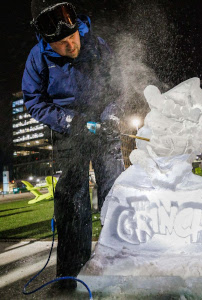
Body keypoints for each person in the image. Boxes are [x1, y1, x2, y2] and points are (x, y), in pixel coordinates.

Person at [22, 0, 124, 289]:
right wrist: (69, 121)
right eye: (62, 44)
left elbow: (118, 87)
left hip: (104, 128)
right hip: (68, 132)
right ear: (46, 40)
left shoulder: (97, 44)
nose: (71, 47)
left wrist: (112, 116)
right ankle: (71, 276)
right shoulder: (37, 58)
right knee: (72, 203)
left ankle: (118, 264)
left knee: (115, 196)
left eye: (72, 38)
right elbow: (34, 101)